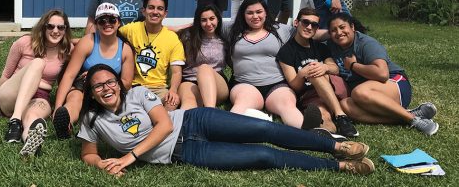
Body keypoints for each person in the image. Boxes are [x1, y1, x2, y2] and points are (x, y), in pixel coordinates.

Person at [77, 64, 374, 176]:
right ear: (91, 92)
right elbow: (88, 153)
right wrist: (102, 162)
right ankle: (339, 166)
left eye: (110, 82)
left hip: (194, 122)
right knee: (261, 155)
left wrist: (129, 157)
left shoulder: (139, 93)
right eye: (98, 86)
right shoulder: (92, 119)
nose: (106, 89)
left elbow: (165, 124)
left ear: (119, 83)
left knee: (264, 128)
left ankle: (336, 148)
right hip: (186, 152)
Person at [327, 13, 439, 136]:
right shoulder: (332, 45)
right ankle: (405, 117)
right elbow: (315, 35)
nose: (338, 32)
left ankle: (414, 120)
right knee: (345, 105)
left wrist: (353, 65)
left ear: (352, 27)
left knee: (359, 92)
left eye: (342, 27)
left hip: (394, 84)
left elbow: (382, 74)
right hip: (370, 96)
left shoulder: (365, 43)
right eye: (333, 30)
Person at [0, 10, 72, 156]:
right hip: (12, 94)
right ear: (43, 27)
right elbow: (6, 74)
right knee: (37, 63)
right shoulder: (24, 42)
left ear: (65, 29)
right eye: (50, 26)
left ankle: (29, 141)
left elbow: (85, 45)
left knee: (33, 118)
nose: (55, 31)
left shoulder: (67, 50)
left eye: (60, 27)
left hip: (40, 96)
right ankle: (15, 121)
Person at [228, 0, 320, 129]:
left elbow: (308, 31)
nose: (255, 16)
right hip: (245, 84)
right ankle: (225, 130)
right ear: (243, 14)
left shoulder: (281, 29)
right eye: (250, 13)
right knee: (242, 104)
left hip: (277, 85)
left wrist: (334, 34)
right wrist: (187, 28)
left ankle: (309, 131)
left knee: (287, 105)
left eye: (259, 12)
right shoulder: (232, 30)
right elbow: (205, 25)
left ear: (266, 12)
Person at [53, 3, 134, 139]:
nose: (107, 23)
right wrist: (57, 106)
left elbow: (126, 83)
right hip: (83, 87)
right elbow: (69, 75)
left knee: (113, 103)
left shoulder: (125, 49)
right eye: (102, 20)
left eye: (112, 20)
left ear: (119, 23)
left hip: (108, 89)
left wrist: (98, 74)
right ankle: (65, 122)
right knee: (75, 98)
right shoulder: (88, 42)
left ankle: (100, 118)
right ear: (96, 24)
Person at [277, 7, 358, 138]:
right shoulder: (286, 52)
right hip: (310, 95)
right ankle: (334, 136)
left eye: (314, 25)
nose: (309, 27)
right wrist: (302, 73)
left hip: (334, 88)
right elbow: (295, 86)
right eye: (305, 22)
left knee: (316, 73)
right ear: (296, 23)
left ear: (316, 29)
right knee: (323, 116)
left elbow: (335, 68)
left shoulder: (321, 47)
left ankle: (340, 115)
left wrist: (324, 67)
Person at [118, 0, 185, 111]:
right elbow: (108, 35)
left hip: (159, 88)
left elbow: (176, 72)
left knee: (172, 102)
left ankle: (162, 126)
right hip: (134, 86)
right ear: (143, 11)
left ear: (165, 14)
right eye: (151, 8)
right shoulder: (131, 29)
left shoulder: (172, 38)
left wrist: (173, 90)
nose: (155, 12)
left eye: (160, 9)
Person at [177, 5, 229, 110]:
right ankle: (181, 124)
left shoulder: (224, 39)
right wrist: (182, 27)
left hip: (216, 83)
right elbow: (159, 28)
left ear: (218, 19)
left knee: (204, 68)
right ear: (198, 22)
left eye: (212, 19)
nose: (208, 23)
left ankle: (210, 111)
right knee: (188, 104)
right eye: (203, 20)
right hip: (190, 81)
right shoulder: (187, 37)